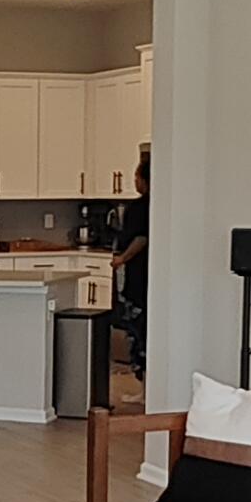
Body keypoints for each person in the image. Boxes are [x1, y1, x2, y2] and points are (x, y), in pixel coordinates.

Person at [108, 146, 149, 366]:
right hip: (149, 276)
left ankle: (143, 388)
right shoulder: (160, 205)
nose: (134, 181)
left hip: (138, 277)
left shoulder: (138, 207)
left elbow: (140, 238)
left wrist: (121, 259)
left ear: (144, 180)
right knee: (145, 329)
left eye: (136, 177)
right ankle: (146, 388)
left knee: (137, 329)